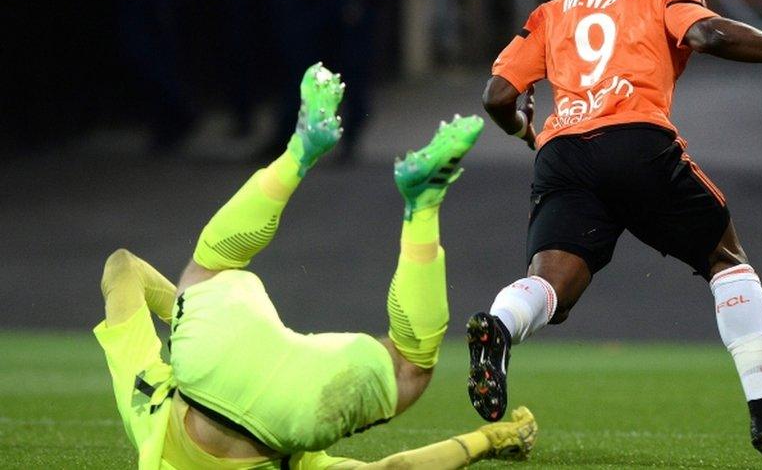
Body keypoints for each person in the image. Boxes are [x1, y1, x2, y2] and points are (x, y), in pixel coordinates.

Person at [465, 0, 762, 455]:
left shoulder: (553, 10)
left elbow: (497, 94)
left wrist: (524, 130)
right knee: (726, 259)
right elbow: (708, 34)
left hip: (562, 154)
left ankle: (497, 327)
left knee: (552, 288)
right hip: (635, 140)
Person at [94, 63, 537, 469]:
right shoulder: (143, 411)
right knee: (211, 264)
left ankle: (424, 202)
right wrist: (186, 316)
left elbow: (395, 469)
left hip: (297, 405)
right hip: (207, 355)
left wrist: (489, 440)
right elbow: (122, 268)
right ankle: (298, 153)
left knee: (410, 368)